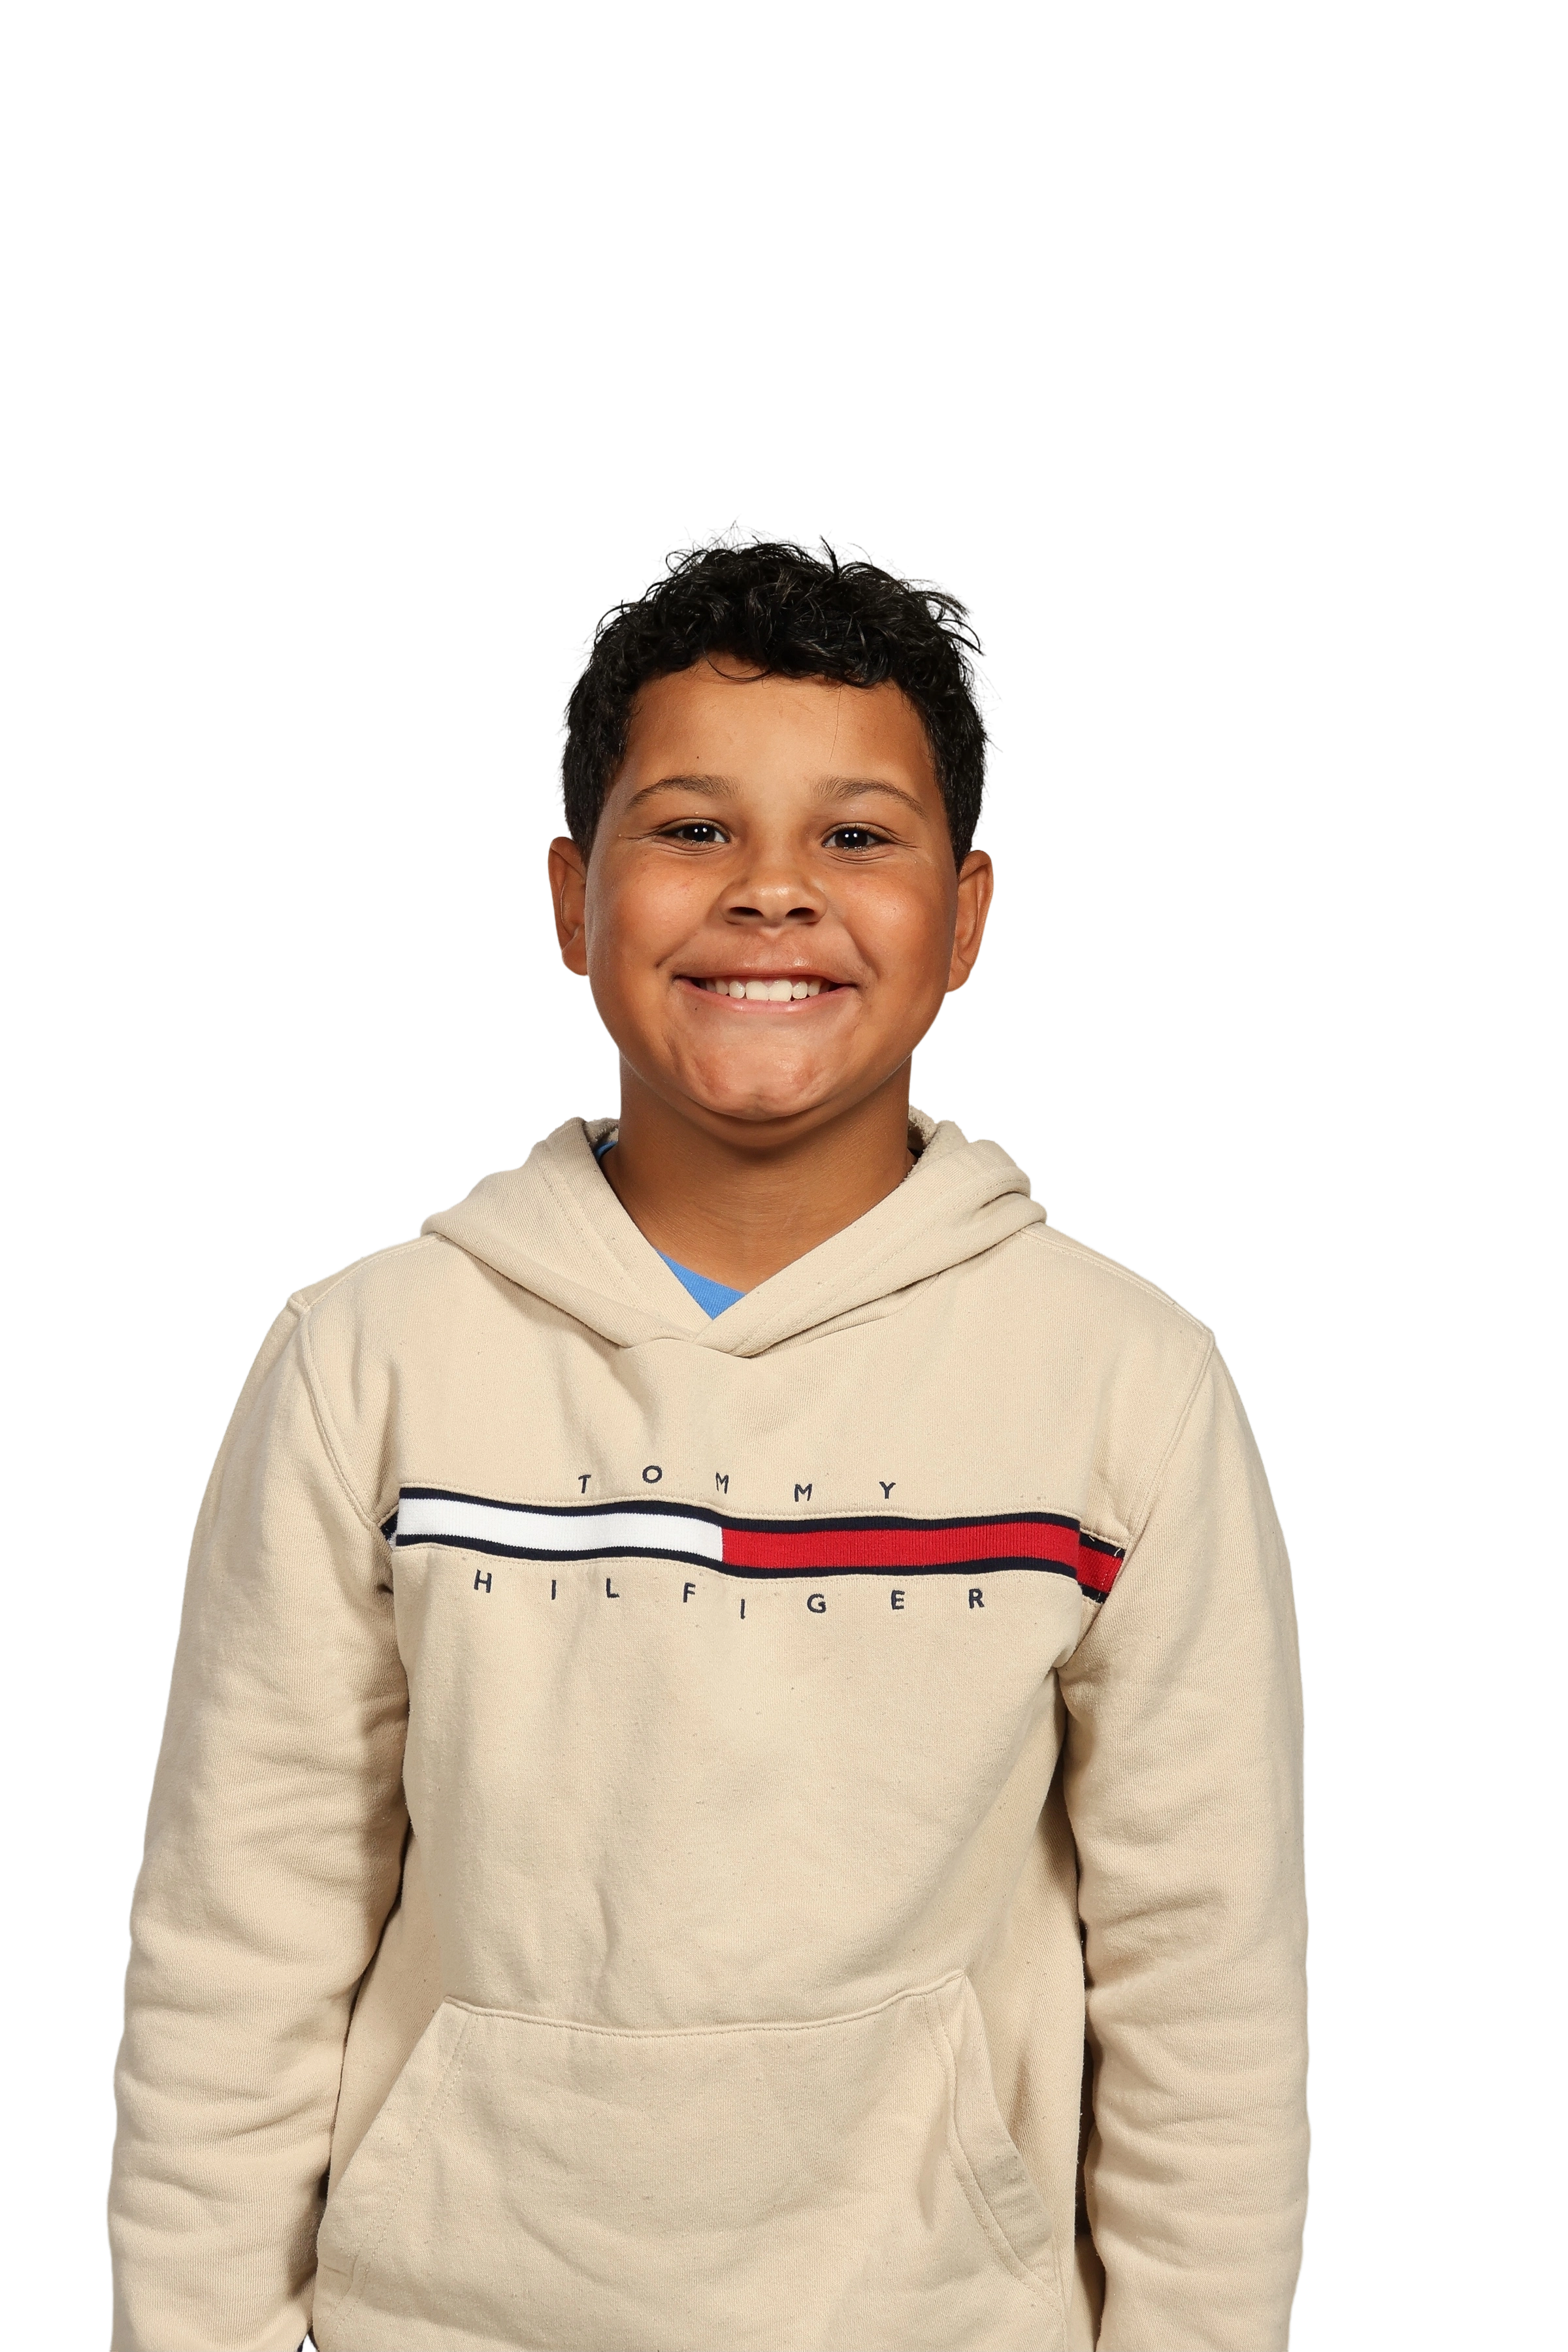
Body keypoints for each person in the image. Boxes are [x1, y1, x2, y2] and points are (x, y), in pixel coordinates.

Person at [105, 521, 1311, 2352]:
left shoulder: (1123, 1384)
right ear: (569, 896)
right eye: (690, 829)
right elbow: (235, 1949)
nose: (772, 894)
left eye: (858, 837)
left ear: (969, 912)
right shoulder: (369, 1363)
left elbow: (1204, 1990)